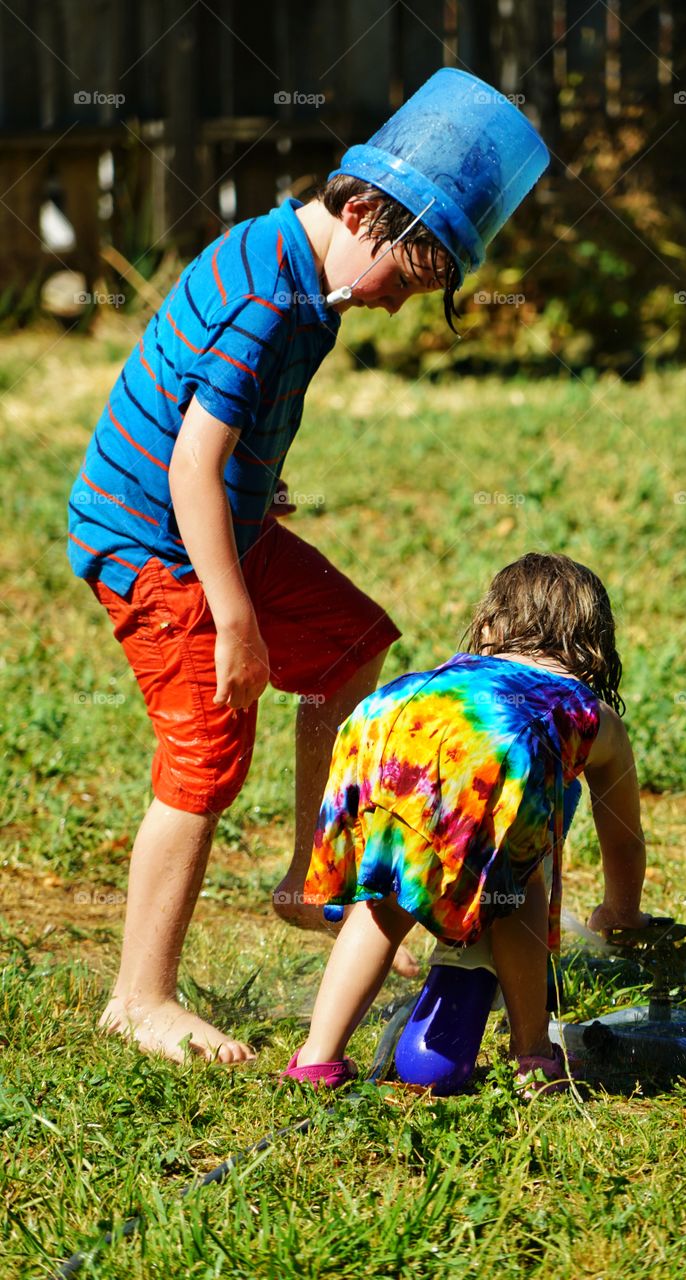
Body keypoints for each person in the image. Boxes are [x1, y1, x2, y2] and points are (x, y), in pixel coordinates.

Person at [66, 69, 549, 1064]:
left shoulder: (313, 285)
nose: (408, 299)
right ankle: (139, 994)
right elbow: (190, 465)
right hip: (152, 541)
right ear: (365, 209)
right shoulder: (265, 294)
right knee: (204, 754)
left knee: (348, 640)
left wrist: (261, 486)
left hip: (212, 522)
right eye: (413, 273)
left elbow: (225, 435)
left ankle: (307, 876)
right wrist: (235, 621)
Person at [284, 553, 649, 1093]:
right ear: (593, 645)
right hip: (500, 749)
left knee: (383, 896)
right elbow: (622, 837)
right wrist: (621, 910)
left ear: (490, 627)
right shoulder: (591, 713)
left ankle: (318, 1058)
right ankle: (533, 1057)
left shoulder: (463, 674)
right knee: (516, 897)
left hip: (389, 718)